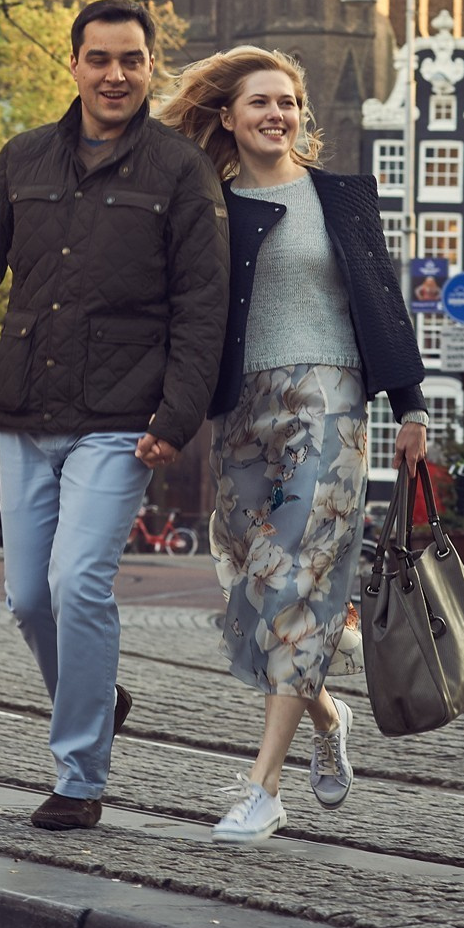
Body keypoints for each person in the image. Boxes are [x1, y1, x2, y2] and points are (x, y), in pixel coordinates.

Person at [0, 0, 229, 832]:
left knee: (78, 583)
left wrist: (177, 417)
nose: (115, 74)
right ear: (72, 65)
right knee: (30, 598)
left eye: (132, 60)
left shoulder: (180, 172)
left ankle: (80, 776)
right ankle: (98, 692)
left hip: (120, 416)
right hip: (28, 408)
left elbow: (203, 306)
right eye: (99, 59)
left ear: (150, 68)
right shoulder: (23, 159)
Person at [159, 46, 428, 843]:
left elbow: (382, 298)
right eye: (259, 104)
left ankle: (261, 786)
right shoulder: (210, 204)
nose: (276, 114)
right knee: (252, 591)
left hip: (331, 403)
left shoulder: (341, 198)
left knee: (296, 583)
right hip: (242, 411)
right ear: (227, 118)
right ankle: (326, 713)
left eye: (288, 102)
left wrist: (412, 408)